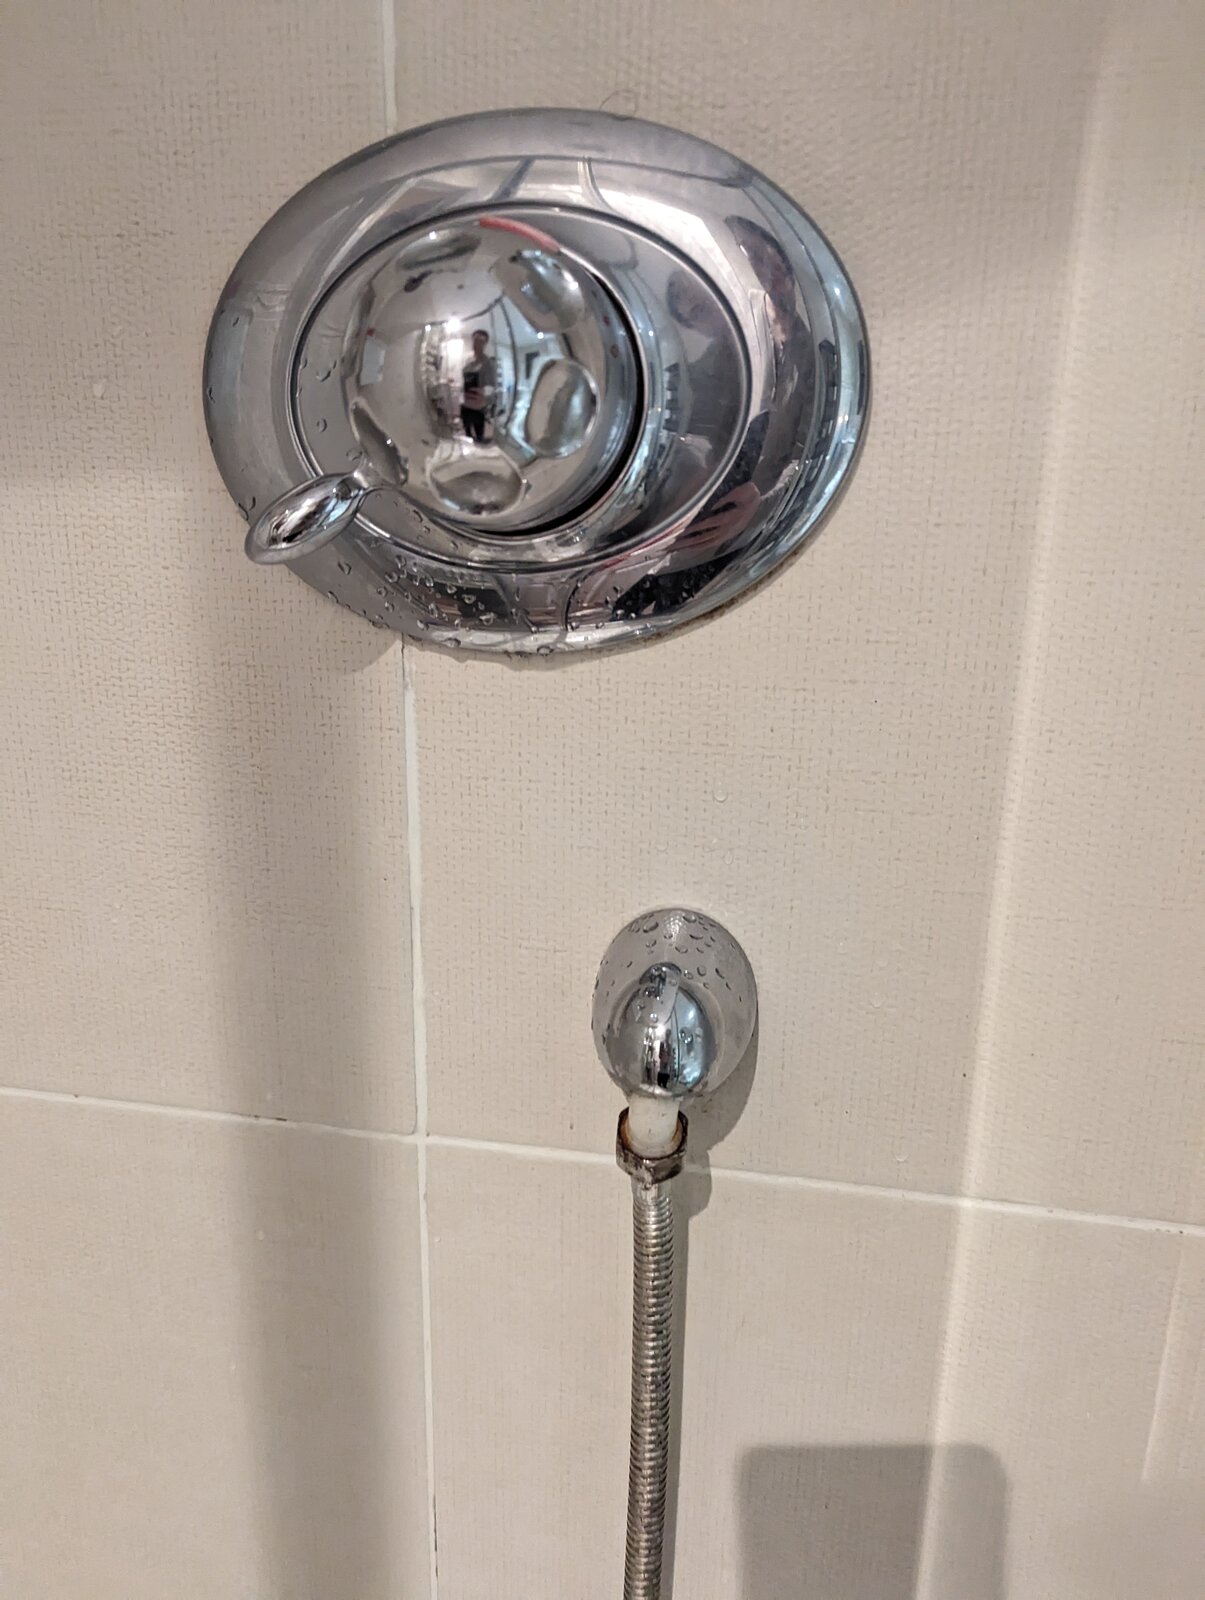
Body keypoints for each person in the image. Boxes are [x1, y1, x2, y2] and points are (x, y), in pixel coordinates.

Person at [460, 329, 496, 442]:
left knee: (479, 436)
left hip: (478, 407)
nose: (477, 344)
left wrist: (484, 393)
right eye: (475, 340)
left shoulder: (488, 363)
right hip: (465, 404)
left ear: (485, 344)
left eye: (480, 341)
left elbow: (492, 386)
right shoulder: (468, 363)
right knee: (467, 435)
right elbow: (464, 380)